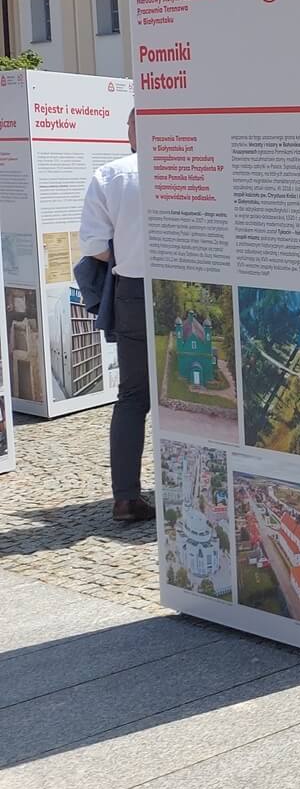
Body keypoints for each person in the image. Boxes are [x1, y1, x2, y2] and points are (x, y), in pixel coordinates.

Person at [77, 110, 154, 523]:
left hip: (133, 292)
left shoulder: (110, 175)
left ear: (133, 129)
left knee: (133, 396)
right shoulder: (191, 166)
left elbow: (95, 248)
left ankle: (126, 497)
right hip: (188, 289)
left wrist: (128, 253)